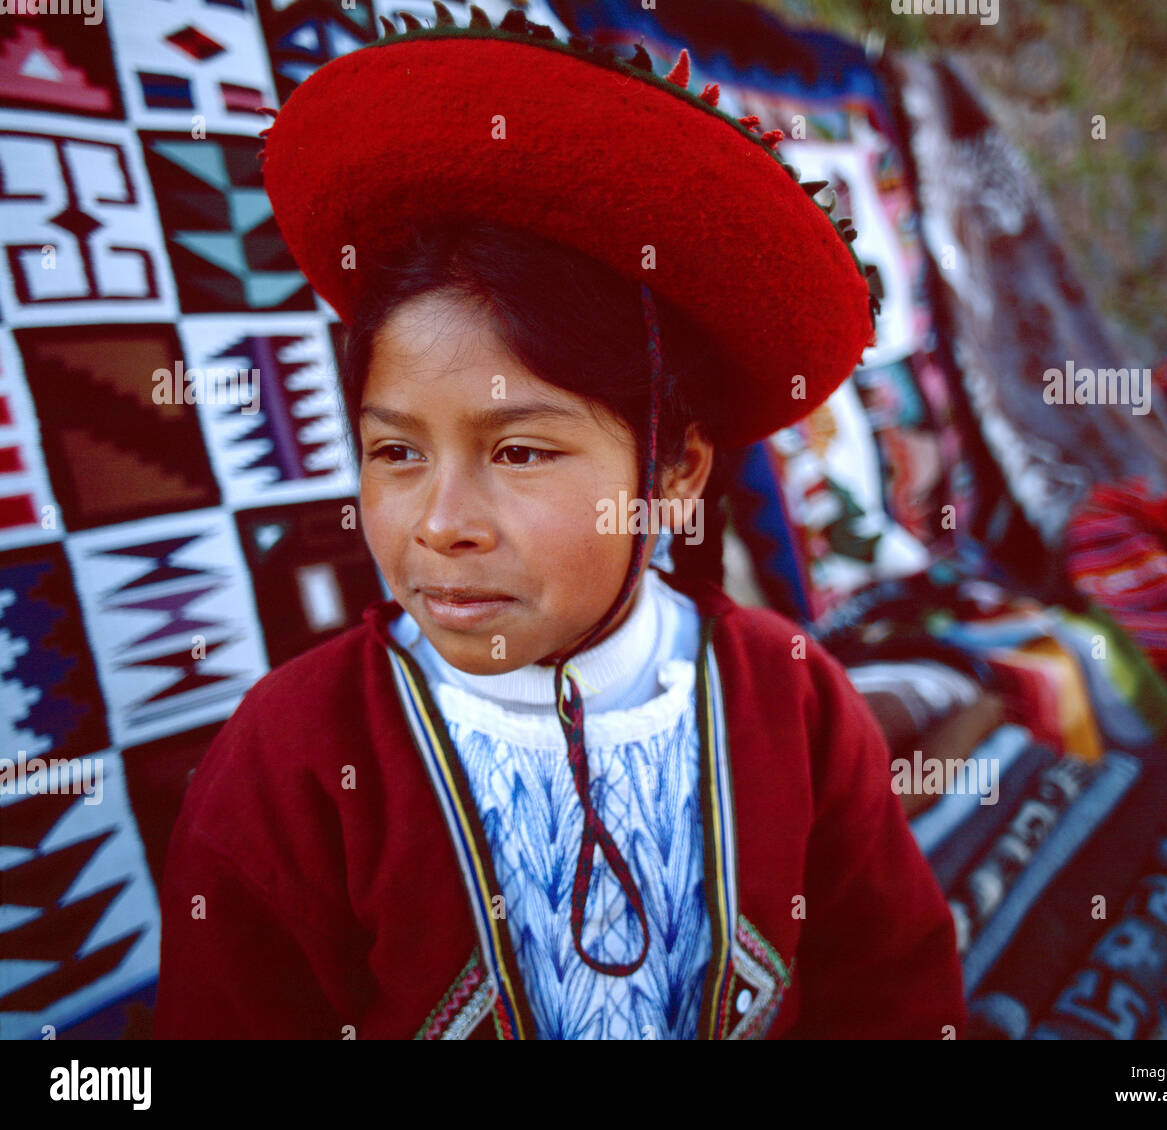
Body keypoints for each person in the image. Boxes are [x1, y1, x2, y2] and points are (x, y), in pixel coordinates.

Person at [153, 8, 964, 1040]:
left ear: (672, 471)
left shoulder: (791, 698)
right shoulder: (294, 763)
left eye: (520, 452)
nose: (439, 523)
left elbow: (892, 995)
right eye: (396, 451)